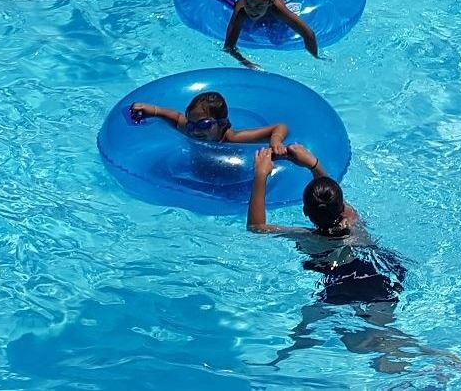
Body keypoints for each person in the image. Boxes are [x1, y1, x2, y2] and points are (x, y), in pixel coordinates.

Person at [247, 144, 412, 311]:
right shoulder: (352, 220)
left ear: (305, 211)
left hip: (341, 285)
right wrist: (313, 164)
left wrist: (260, 175)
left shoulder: (304, 236)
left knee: (311, 320)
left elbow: (256, 226)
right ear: (342, 207)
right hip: (381, 271)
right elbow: (333, 196)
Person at [129, 89, 289, 153]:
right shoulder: (192, 129)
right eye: (191, 124)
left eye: (204, 124)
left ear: (222, 124)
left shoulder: (232, 138)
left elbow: (280, 127)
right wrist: (154, 111)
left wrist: (276, 140)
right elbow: (177, 117)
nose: (195, 130)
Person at [223, 0, 322, 66]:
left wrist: (315, 57)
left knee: (277, 40)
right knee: (247, 29)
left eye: (258, 6)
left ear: (270, 2)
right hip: (260, 3)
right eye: (248, 5)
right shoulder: (242, 10)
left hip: (273, 8)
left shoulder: (277, 9)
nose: (252, 10)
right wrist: (246, 63)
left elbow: (309, 34)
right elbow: (228, 47)